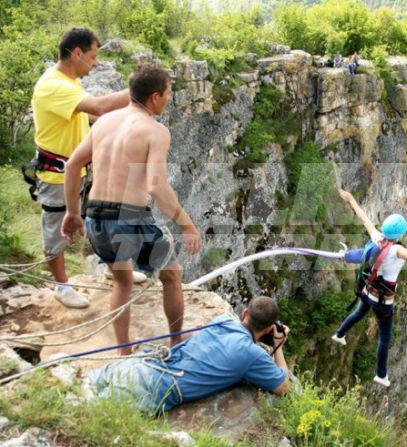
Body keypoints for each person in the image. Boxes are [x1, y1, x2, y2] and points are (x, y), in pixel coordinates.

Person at [61, 63, 202, 354]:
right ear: (154, 97)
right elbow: (156, 187)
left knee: (122, 282)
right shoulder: (155, 131)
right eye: (167, 93)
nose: (169, 98)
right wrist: (186, 225)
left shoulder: (104, 121)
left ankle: (124, 352)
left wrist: (72, 212)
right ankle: (176, 340)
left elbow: (73, 164)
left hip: (96, 216)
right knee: (171, 275)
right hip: (129, 219)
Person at [31, 27, 132, 309]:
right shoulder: (53, 85)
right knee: (55, 226)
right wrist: (139, 89)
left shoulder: (69, 81)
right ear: (77, 53)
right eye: (93, 56)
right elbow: (98, 107)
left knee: (101, 219)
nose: (96, 62)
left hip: (79, 169)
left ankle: (116, 272)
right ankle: (62, 287)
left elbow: (83, 116)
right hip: (56, 173)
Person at [88, 296, 291, 413]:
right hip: (156, 388)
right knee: (90, 411)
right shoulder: (252, 355)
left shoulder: (222, 320)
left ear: (245, 314)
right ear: (268, 328)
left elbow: (193, 335)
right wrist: (278, 346)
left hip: (142, 364)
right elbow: (283, 386)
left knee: (79, 391)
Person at [331, 189, 407, 387]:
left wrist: (351, 199)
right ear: (400, 234)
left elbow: (363, 218)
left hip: (367, 292)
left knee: (359, 313)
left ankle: (339, 335)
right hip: (383, 303)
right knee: (384, 337)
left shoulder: (376, 238)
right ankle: (381, 375)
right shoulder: (396, 250)